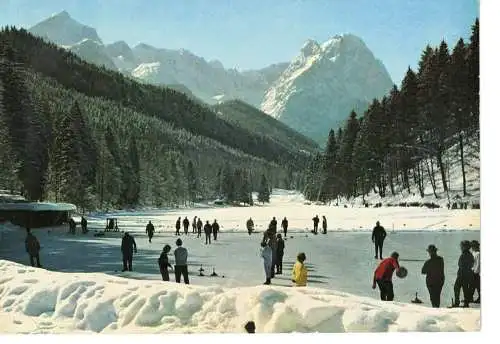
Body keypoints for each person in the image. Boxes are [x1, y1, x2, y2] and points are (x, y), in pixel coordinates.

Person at [453, 240, 474, 307]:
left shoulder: (464, 255)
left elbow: (460, 265)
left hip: (462, 274)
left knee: (456, 287)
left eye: (461, 246)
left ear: (464, 247)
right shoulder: (470, 255)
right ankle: (466, 303)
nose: (460, 247)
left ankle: (457, 302)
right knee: (465, 288)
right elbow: (471, 265)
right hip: (467, 274)